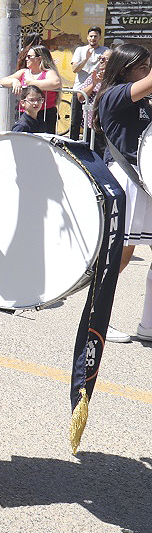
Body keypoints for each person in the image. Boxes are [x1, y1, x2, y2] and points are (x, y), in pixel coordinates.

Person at [92, 44, 152, 343]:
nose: (147, 72)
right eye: (143, 67)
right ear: (125, 69)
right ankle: (98, 319)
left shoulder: (143, 101)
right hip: (125, 179)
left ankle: (149, 324)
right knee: (121, 255)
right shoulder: (113, 95)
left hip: (146, 181)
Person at [0, 45, 62, 134]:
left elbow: (56, 83)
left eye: (29, 57)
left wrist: (32, 83)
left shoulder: (48, 72)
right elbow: (2, 81)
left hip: (45, 113)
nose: (26, 59)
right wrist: (14, 81)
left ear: (39, 58)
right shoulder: (23, 72)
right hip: (25, 113)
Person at [70, 27, 109, 140]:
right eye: (91, 36)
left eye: (95, 36)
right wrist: (86, 59)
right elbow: (75, 69)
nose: (93, 38)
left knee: (93, 120)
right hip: (80, 90)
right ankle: (73, 143)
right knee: (75, 120)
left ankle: (90, 144)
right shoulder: (80, 50)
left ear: (100, 38)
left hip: (96, 91)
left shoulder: (104, 51)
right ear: (87, 37)